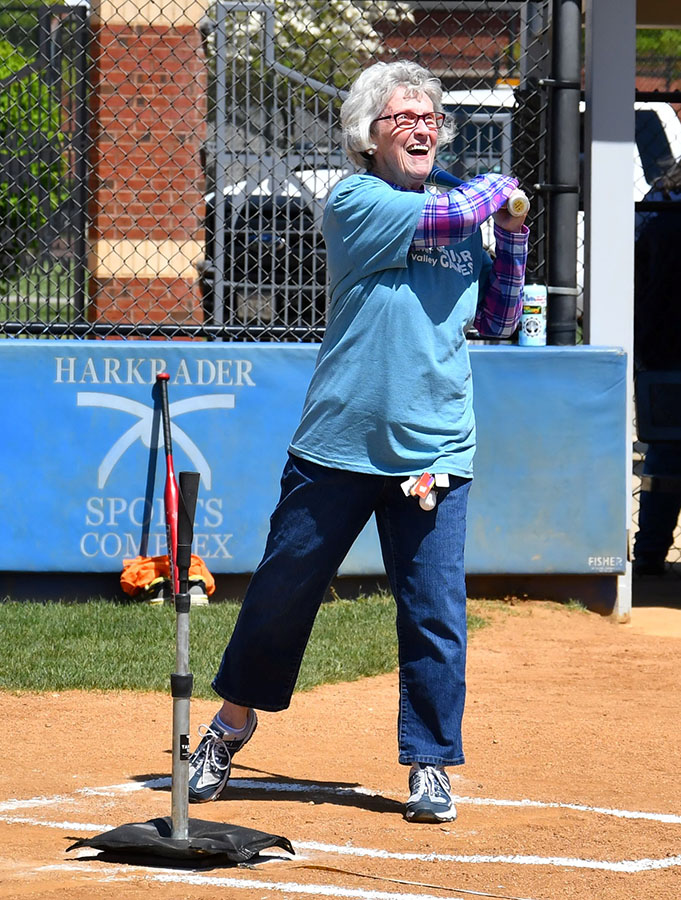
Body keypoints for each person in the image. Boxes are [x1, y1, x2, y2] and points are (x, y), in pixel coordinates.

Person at [187, 59, 529, 823]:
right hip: (338, 443)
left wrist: (512, 237)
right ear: (366, 137)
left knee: (434, 611)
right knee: (282, 593)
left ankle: (432, 764)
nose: (421, 127)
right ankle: (229, 726)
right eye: (402, 117)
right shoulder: (357, 199)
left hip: (434, 446)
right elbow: (443, 220)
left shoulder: (460, 208)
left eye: (430, 118)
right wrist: (494, 190)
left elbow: (500, 319)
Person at [632, 159, 681, 577]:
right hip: (666, 343)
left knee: (665, 450)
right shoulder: (660, 203)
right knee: (665, 451)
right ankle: (649, 549)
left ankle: (649, 550)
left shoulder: (659, 202)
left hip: (662, 344)